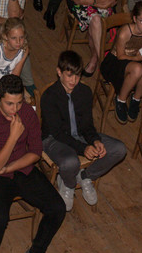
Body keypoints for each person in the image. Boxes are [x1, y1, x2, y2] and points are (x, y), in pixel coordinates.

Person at [0, 74, 67, 253]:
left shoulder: (27, 112)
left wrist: (9, 168)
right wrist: (13, 136)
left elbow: (35, 152)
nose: (15, 109)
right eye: (9, 103)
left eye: (19, 102)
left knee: (58, 208)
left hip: (21, 167)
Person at [41, 50, 127, 211]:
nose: (74, 80)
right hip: (54, 139)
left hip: (79, 135)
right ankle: (68, 184)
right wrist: (83, 148)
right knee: (70, 162)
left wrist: (95, 140)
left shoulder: (84, 92)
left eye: (77, 75)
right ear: (59, 72)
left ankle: (85, 176)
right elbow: (57, 132)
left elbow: (87, 125)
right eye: (69, 75)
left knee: (119, 149)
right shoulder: (49, 96)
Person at [100, 1, 142, 124]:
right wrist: (139, 58)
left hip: (134, 62)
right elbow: (121, 56)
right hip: (115, 62)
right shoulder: (125, 32)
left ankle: (136, 98)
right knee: (138, 69)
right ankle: (121, 99)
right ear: (135, 19)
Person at [0, 18, 30, 103]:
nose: (18, 42)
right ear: (5, 36)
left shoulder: (24, 50)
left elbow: (15, 76)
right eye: (14, 38)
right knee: (3, 105)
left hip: (8, 84)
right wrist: (5, 92)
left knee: (20, 104)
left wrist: (11, 91)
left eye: (21, 37)